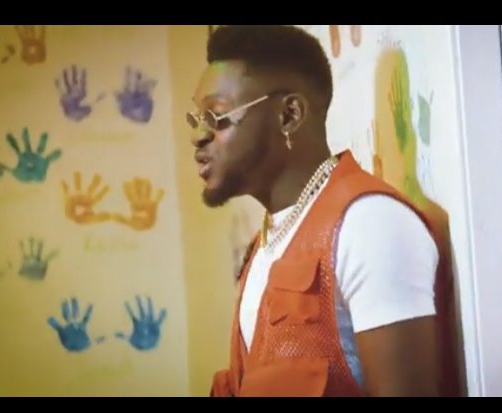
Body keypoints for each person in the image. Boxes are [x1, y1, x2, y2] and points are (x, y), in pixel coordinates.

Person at [187, 25, 459, 397]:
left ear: (289, 115)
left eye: (216, 117)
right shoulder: (266, 243)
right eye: (195, 120)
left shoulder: (369, 224)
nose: (198, 136)